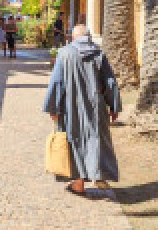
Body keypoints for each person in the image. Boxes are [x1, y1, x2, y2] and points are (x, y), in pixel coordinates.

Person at [43, 24, 121, 197]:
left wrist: (53, 107)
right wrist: (114, 106)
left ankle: (78, 184)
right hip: (96, 107)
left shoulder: (64, 53)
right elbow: (110, 82)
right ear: (89, 37)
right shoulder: (99, 54)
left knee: (74, 141)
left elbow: (56, 82)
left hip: (71, 107)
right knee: (95, 139)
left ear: (73, 37)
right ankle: (97, 173)